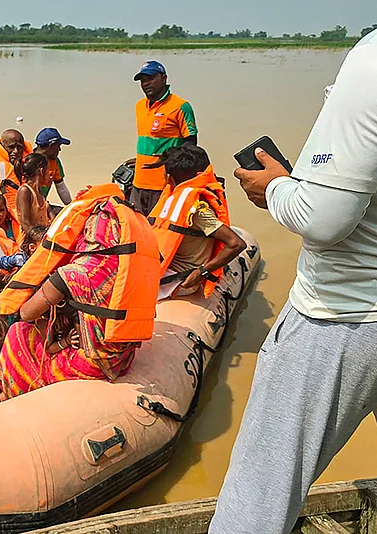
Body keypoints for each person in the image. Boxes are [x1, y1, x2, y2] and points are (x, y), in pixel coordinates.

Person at [209, 30, 377, 534]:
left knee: (257, 496)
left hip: (342, 315)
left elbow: (325, 219)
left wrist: (276, 187)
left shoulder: (370, 63)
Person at [0, 188, 160, 398]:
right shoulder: (129, 265)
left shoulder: (76, 273)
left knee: (19, 332)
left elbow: (26, 313)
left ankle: (12, 394)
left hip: (91, 362)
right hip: (122, 357)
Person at [145, 145, 246, 298]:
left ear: (169, 177)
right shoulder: (178, 198)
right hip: (166, 266)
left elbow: (236, 243)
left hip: (179, 278)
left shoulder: (197, 210)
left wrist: (202, 271)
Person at [130, 60, 198, 216]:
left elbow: (191, 145)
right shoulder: (139, 106)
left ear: (164, 78)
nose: (146, 83)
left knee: (159, 230)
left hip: (164, 184)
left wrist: (172, 165)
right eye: (142, 80)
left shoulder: (181, 106)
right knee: (138, 227)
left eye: (151, 78)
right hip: (139, 181)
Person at [34, 127, 73, 204]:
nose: (59, 149)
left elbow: (61, 188)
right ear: (51, 146)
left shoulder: (55, 162)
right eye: (58, 146)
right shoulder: (28, 162)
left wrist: (70, 206)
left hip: (43, 204)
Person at [15, 153, 52, 234]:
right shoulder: (25, 191)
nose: (50, 176)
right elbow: (25, 223)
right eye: (48, 172)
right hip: (30, 243)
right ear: (42, 171)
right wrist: (40, 238)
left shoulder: (40, 193)